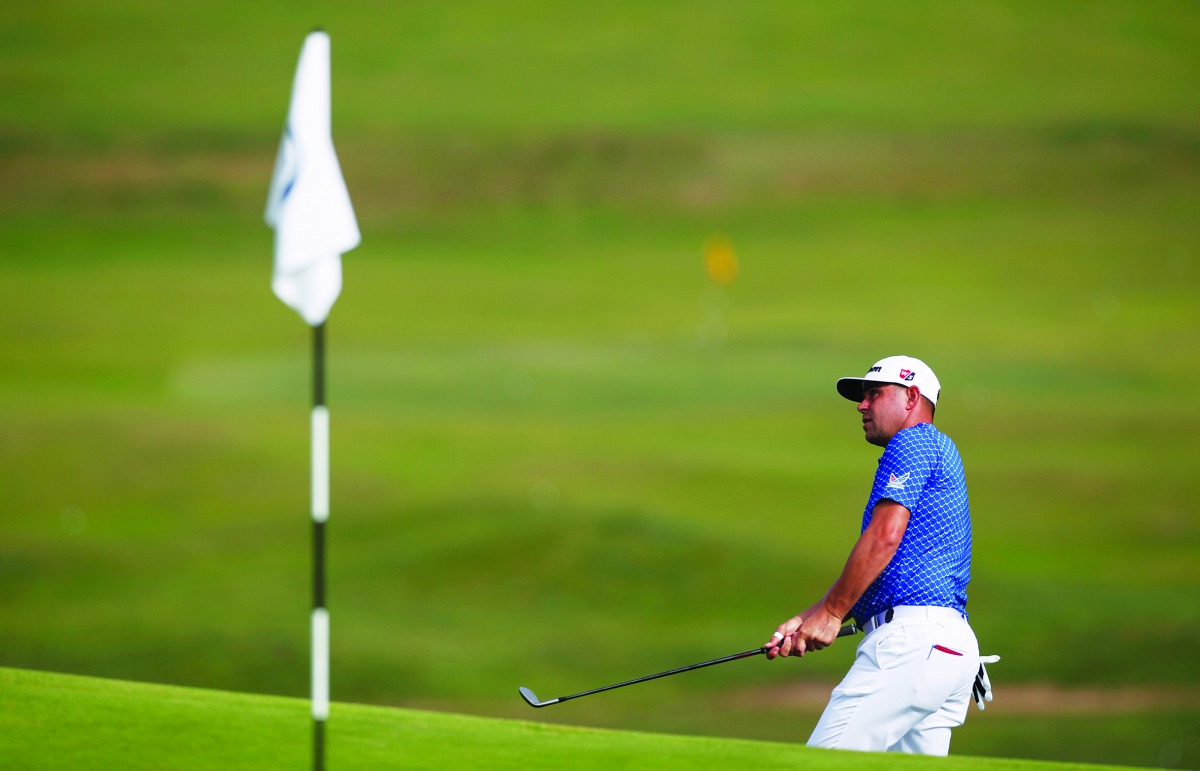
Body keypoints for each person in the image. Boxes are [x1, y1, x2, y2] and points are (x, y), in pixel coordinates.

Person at [765, 355, 992, 756]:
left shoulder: (914, 440)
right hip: (946, 649)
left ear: (912, 398)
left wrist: (832, 613)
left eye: (874, 394)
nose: (861, 405)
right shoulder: (937, 448)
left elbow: (884, 537)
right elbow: (888, 566)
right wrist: (809, 618)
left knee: (821, 762)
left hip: (912, 646)